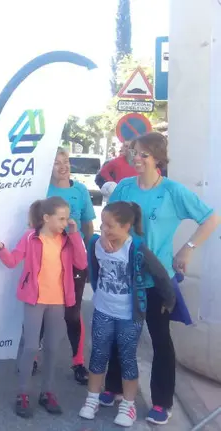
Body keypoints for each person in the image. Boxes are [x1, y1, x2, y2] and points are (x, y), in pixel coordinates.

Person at [102, 132, 220, 425]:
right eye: (134, 153)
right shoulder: (125, 188)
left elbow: (211, 218)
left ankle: (162, 402)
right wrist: (105, 242)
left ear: (157, 158)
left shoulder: (172, 191)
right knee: (120, 333)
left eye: (143, 154)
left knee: (160, 340)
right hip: (124, 276)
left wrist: (188, 248)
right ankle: (114, 386)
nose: (137, 159)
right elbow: (110, 219)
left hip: (157, 279)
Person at [0, 196, 87, 418]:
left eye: (66, 218)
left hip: (58, 301)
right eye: (61, 219)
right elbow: (12, 261)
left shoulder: (68, 240)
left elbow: (81, 263)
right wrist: (0, 247)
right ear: (46, 218)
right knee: (31, 346)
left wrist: (75, 234)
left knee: (51, 348)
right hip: (35, 299)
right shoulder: (30, 237)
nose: (64, 223)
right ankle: (23, 393)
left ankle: (47, 392)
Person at [79, 202, 176, 428]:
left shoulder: (136, 248)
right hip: (103, 309)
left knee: (127, 357)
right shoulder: (96, 243)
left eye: (109, 226)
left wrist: (169, 300)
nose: (104, 229)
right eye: (102, 224)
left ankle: (128, 405)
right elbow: (93, 268)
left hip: (128, 315)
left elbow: (160, 274)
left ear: (126, 227)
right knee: (98, 355)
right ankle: (92, 399)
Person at [47, 147, 96, 385]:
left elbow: (88, 225)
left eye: (65, 161)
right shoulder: (42, 190)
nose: (63, 166)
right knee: (42, 310)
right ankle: (33, 355)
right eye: (56, 162)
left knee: (73, 314)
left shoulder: (80, 190)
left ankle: (78, 362)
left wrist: (88, 258)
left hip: (75, 262)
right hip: (47, 261)